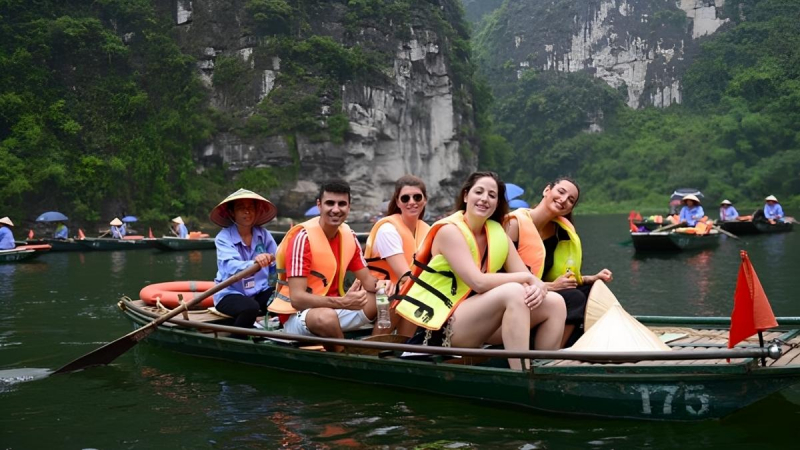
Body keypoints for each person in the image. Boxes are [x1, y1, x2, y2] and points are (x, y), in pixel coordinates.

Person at [394, 172, 566, 370]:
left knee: (555, 302)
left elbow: (528, 281)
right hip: (443, 327)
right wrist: (528, 278)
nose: (485, 199)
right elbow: (479, 282)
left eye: (492, 195)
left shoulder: (497, 233)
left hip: (479, 323)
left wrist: (538, 287)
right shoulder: (449, 231)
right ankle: (523, 375)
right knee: (513, 292)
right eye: (479, 192)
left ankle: (546, 370)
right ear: (466, 196)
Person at [269, 180, 390, 352]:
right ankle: (345, 361)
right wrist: (343, 302)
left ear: (348, 207)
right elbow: (297, 299)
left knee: (389, 298)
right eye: (329, 203)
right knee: (326, 317)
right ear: (319, 205)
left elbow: (368, 281)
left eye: (342, 204)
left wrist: (383, 285)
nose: (336, 209)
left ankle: (376, 349)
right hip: (299, 316)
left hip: (336, 309)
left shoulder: (349, 236)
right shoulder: (303, 239)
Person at [505, 177, 612, 347]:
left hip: (541, 291)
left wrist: (589, 278)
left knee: (589, 290)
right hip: (515, 295)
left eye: (571, 200)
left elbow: (549, 274)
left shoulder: (557, 232)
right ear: (547, 190)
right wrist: (551, 287)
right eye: (561, 192)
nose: (564, 200)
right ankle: (554, 351)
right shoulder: (514, 225)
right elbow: (499, 275)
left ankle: (569, 342)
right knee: (575, 298)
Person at [363, 175, 431, 337]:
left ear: (425, 200)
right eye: (405, 198)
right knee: (406, 294)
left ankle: (406, 347)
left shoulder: (427, 230)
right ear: (398, 202)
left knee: (413, 294)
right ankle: (375, 346)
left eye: (417, 197)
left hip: (408, 290)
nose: (412, 202)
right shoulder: (388, 229)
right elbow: (405, 276)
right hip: (378, 292)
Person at [210, 189, 279, 336]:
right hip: (230, 293)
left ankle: (278, 334)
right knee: (250, 308)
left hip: (259, 290)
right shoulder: (223, 237)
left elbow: (277, 258)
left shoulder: (263, 234)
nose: (247, 211)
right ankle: (237, 341)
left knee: (282, 299)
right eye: (241, 207)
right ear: (232, 213)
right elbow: (231, 266)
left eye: (250, 207)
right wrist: (254, 262)